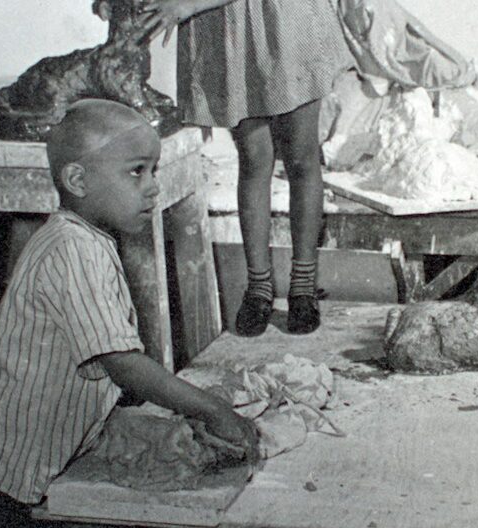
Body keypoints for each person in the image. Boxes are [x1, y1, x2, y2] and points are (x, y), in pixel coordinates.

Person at [0, 98, 259, 528]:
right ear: (77, 178)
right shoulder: (74, 250)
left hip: (21, 466)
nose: (153, 186)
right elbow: (122, 364)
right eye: (136, 171)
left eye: (154, 170)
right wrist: (209, 406)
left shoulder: (86, 238)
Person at [142, 0, 353, 336]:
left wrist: (185, 5)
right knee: (254, 160)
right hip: (227, 29)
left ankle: (302, 286)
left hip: (284, 21)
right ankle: (258, 289)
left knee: (300, 158)